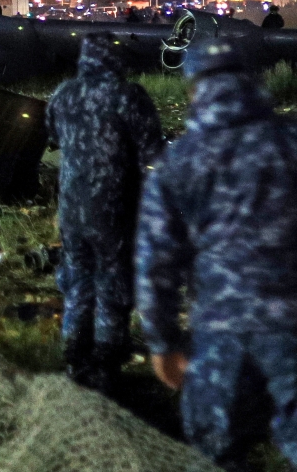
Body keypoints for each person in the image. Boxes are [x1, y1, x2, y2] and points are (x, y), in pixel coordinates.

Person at [138, 39, 297, 470]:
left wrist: (162, 341)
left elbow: (156, 262)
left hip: (220, 333)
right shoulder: (290, 142)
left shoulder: (179, 161)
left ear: (194, 88)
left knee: (217, 452)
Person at [45, 32, 165, 393]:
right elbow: (153, 153)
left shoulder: (63, 94)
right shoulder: (128, 95)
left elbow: (54, 137)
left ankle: (73, 354)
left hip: (71, 207)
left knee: (78, 279)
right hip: (114, 208)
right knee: (112, 284)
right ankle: (105, 364)